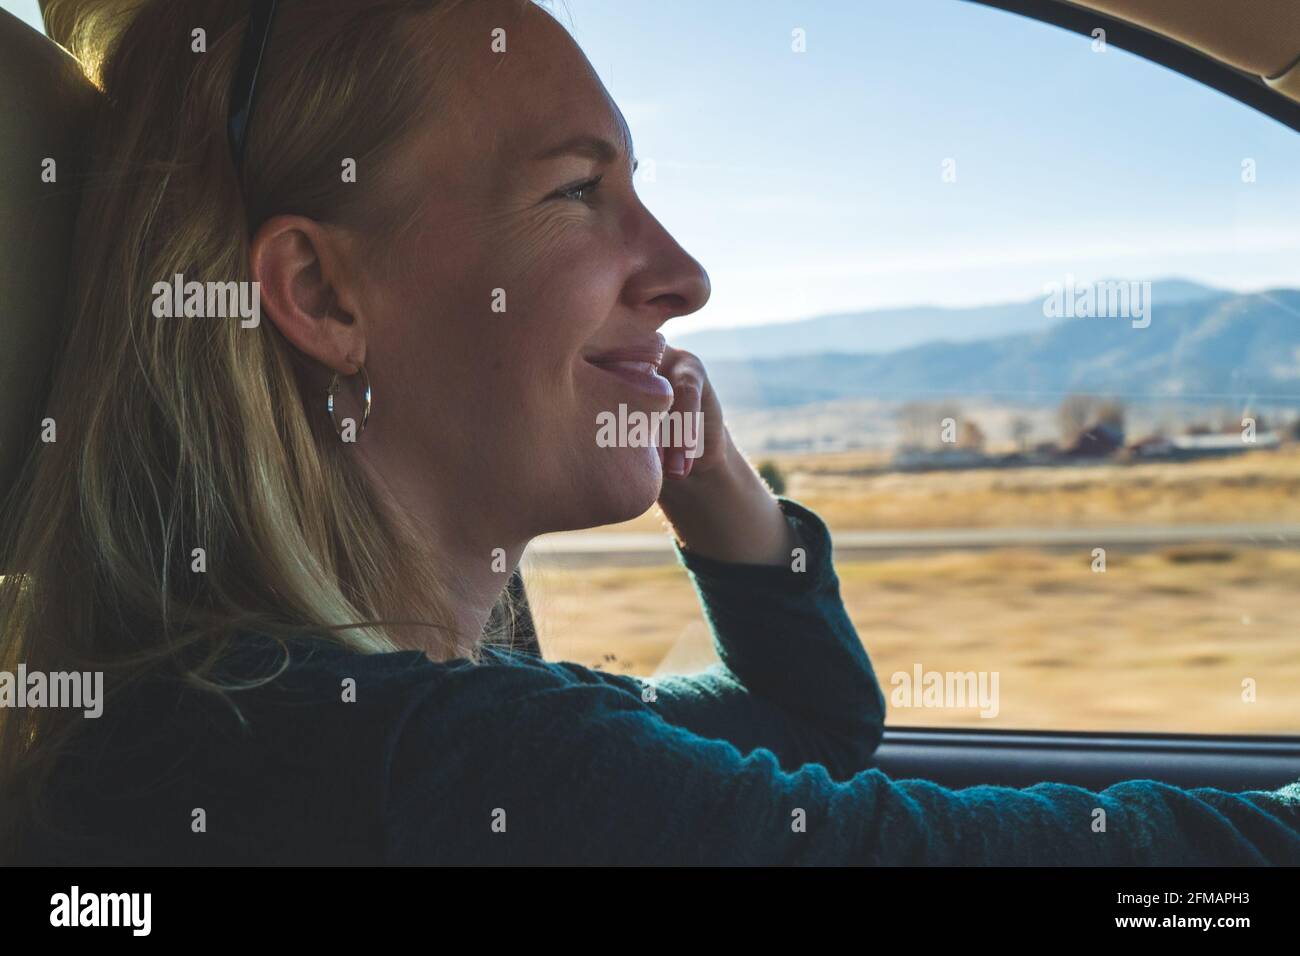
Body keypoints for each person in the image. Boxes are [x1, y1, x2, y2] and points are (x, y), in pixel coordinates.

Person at [2, 0, 1298, 865]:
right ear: (325, 295)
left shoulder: (280, 721)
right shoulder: (436, 767)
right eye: (579, 190)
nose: (686, 275)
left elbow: (803, 723)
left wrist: (708, 470)